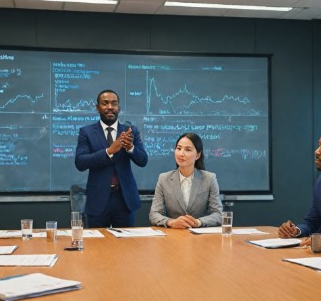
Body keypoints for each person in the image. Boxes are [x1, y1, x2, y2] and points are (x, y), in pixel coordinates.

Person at [75, 89, 148, 228]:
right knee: (97, 246)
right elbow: (80, 162)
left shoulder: (130, 131)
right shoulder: (87, 132)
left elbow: (143, 161)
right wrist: (109, 151)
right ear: (97, 108)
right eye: (105, 103)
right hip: (98, 199)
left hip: (125, 200)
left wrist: (130, 148)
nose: (110, 107)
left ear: (118, 108)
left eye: (114, 104)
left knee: (127, 246)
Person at [149, 133, 222, 228]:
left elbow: (218, 215)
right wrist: (171, 222)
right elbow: (154, 214)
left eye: (187, 150)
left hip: (201, 237)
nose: (181, 154)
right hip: (173, 235)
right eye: (178, 148)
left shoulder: (209, 179)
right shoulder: (164, 179)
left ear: (198, 155)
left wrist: (198, 222)